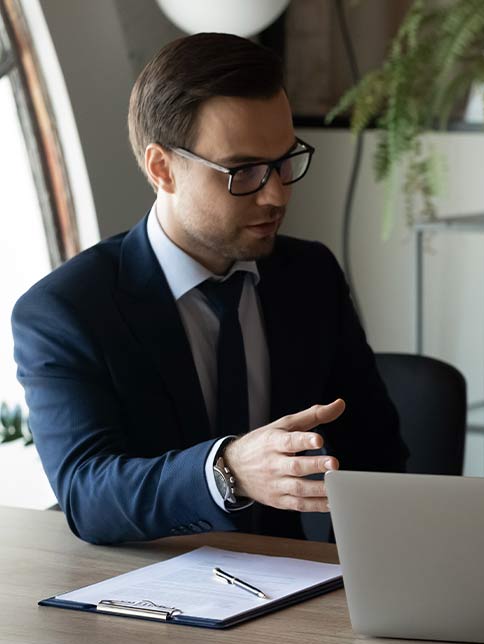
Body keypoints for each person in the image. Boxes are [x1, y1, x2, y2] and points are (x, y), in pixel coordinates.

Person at [12, 33, 407, 544]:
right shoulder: (66, 311)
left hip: (296, 589)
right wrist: (227, 469)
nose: (276, 193)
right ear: (162, 169)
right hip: (146, 597)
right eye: (243, 171)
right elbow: (87, 494)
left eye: (285, 160)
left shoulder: (310, 275)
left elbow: (376, 451)